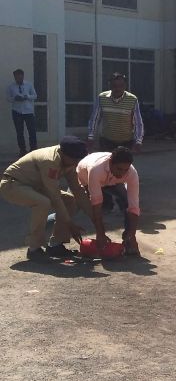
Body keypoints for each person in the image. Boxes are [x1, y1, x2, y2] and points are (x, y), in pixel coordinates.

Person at [0, 137, 91, 259]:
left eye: (78, 159)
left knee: (70, 200)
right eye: (74, 159)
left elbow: (78, 191)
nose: (76, 162)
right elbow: (55, 197)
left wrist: (96, 220)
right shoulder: (50, 161)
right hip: (12, 184)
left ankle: (56, 245)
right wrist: (70, 224)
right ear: (64, 154)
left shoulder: (69, 161)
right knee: (43, 203)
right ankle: (34, 249)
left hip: (35, 186)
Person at [87, 72, 145, 213]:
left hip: (126, 142)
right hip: (107, 141)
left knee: (122, 172)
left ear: (125, 86)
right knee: (104, 172)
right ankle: (106, 202)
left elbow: (138, 122)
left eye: (120, 86)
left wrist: (138, 140)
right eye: (114, 86)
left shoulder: (132, 99)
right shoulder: (102, 98)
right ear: (110, 85)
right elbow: (95, 118)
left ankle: (124, 202)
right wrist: (90, 137)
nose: (117, 89)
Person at [76, 147, 141, 256]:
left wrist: (132, 235)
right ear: (110, 162)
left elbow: (134, 206)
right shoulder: (96, 170)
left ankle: (128, 239)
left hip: (111, 181)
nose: (122, 173)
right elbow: (96, 204)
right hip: (85, 180)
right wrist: (100, 233)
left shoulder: (131, 172)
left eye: (125, 170)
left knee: (126, 202)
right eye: (119, 169)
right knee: (75, 206)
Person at [7, 69, 38, 158]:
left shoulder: (29, 85)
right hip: (17, 112)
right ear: (14, 77)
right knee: (19, 132)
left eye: (20, 77)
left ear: (23, 76)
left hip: (28, 111)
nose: (18, 79)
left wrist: (27, 97)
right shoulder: (11, 87)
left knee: (32, 131)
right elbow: (8, 98)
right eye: (17, 77)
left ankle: (33, 149)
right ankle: (22, 150)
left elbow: (35, 96)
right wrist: (14, 98)